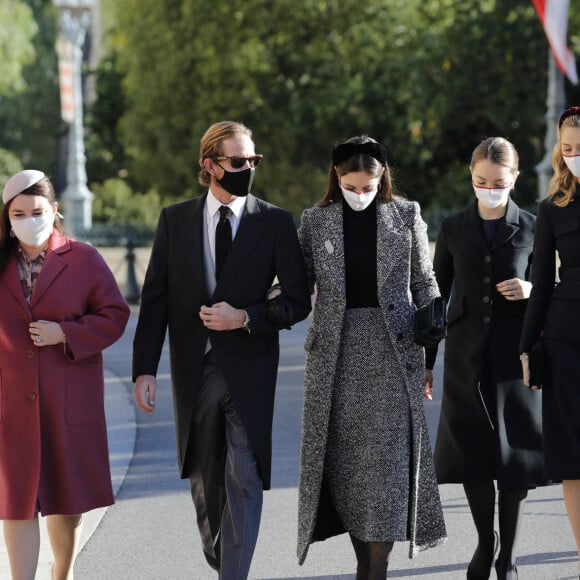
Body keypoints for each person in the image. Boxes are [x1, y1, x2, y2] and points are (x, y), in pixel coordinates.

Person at [132, 120, 311, 579]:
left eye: (253, 160)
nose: (248, 168)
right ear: (210, 165)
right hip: (194, 372)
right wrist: (144, 369)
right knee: (205, 485)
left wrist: (247, 316)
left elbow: (296, 301)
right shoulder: (175, 220)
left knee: (245, 479)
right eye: (238, 161)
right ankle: (223, 561)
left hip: (250, 369)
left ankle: (233, 574)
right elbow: (154, 300)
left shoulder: (274, 222)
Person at [296, 136, 447, 579]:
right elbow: (296, 285)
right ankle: (365, 566)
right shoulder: (315, 221)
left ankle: (374, 571)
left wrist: (433, 328)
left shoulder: (406, 214)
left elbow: (424, 281)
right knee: (349, 474)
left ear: (382, 177)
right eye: (351, 185)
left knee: (385, 476)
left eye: (369, 185)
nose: (360, 193)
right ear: (337, 178)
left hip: (393, 354)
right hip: (336, 361)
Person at [0, 170, 130, 580]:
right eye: (17, 213)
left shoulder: (84, 258)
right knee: (14, 499)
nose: (27, 219)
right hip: (9, 400)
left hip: (66, 396)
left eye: (36, 211)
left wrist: (66, 333)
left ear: (54, 211)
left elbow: (115, 315)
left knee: (64, 497)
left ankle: (63, 570)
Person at [428, 137, 543, 580]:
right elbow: (435, 296)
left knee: (515, 457)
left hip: (518, 355)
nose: (490, 188)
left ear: (514, 178)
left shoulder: (534, 226)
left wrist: (532, 291)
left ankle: (508, 555)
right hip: (465, 356)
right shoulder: (455, 227)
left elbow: (549, 290)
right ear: (471, 178)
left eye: (499, 181)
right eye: (481, 181)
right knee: (473, 453)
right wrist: (426, 359)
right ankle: (484, 541)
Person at [520, 106, 580, 579]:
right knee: (574, 457)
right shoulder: (551, 207)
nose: (574, 154)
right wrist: (527, 348)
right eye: (568, 147)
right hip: (566, 340)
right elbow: (540, 283)